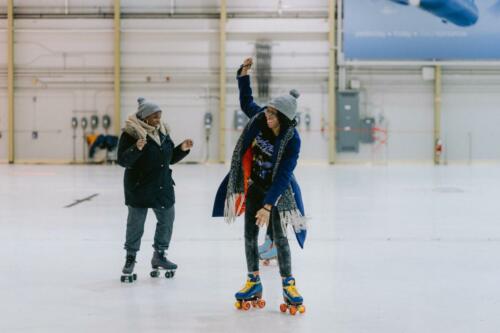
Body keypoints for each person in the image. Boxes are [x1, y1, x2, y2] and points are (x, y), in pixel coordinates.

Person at [212, 58, 307, 314]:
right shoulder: (260, 121)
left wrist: (269, 205)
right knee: (249, 235)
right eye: (267, 111)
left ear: (284, 118)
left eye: (272, 114)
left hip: (277, 190)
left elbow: (284, 174)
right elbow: (246, 103)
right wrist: (243, 76)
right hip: (254, 185)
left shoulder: (292, 140)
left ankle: (289, 284)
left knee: (279, 237)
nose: (267, 115)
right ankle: (253, 281)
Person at [117, 97, 193, 282]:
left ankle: (159, 255)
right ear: (144, 117)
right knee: (136, 225)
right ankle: (130, 258)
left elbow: (168, 158)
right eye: (154, 116)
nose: (158, 119)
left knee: (167, 220)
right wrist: (136, 148)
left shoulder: (163, 132)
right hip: (139, 186)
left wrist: (182, 149)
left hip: (162, 185)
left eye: (159, 115)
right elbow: (122, 161)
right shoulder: (130, 134)